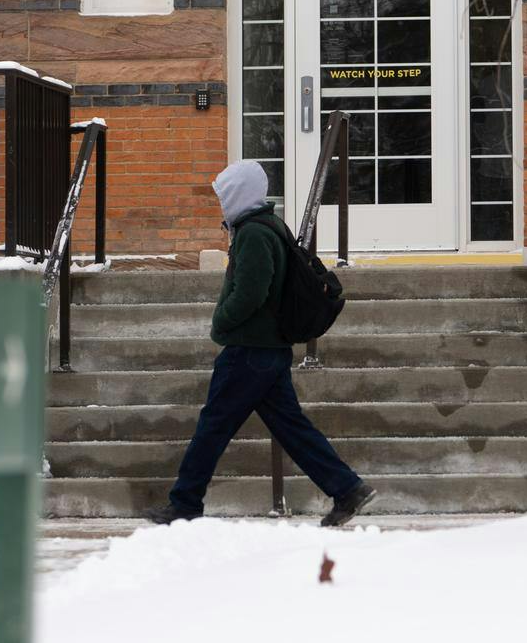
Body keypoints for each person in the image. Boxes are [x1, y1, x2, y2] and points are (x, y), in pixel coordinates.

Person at [148, 159, 377, 527]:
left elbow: (251, 292)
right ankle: (347, 489)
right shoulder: (269, 226)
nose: (221, 204)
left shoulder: (254, 233)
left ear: (239, 195)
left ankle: (184, 503)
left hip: (249, 350)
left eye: (225, 196)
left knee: (213, 427)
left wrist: (221, 320)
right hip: (269, 351)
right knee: (292, 428)